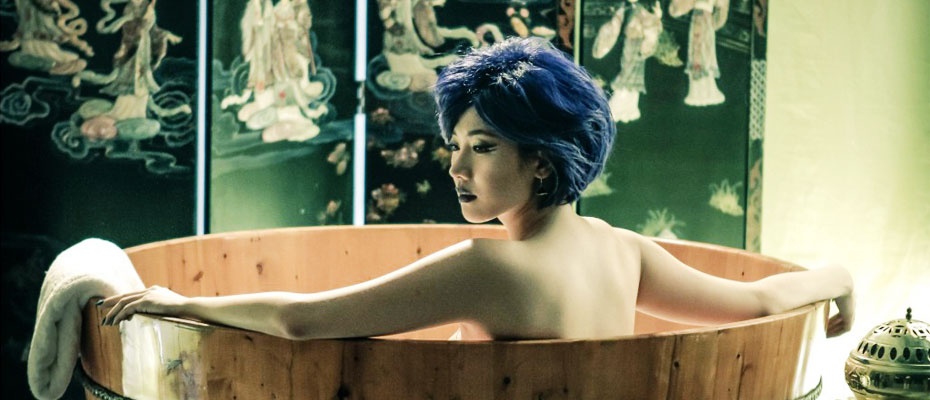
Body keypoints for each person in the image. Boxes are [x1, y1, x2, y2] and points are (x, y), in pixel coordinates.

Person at [99, 36, 855, 341]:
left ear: (544, 160)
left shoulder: (489, 266)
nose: (456, 169)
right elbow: (761, 301)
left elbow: (305, 321)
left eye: (484, 148)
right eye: (454, 147)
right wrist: (839, 278)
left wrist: (180, 301)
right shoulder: (622, 251)